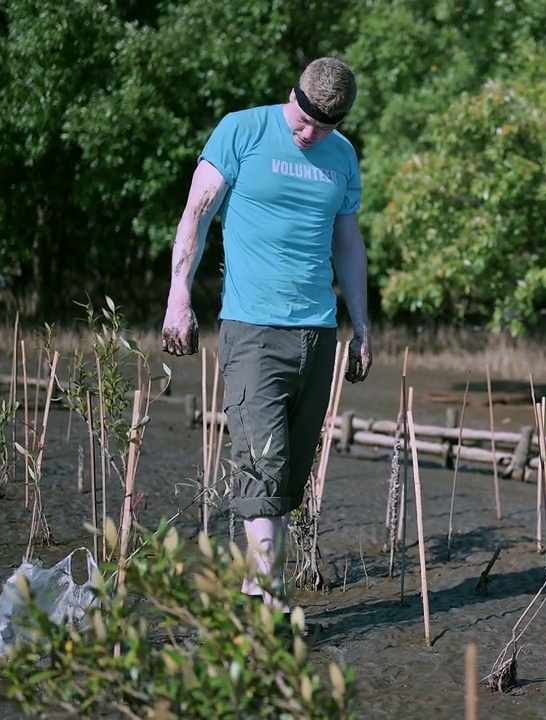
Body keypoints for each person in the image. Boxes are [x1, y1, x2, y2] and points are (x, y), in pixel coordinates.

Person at [160, 57, 373, 625]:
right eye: (303, 122)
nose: (309, 135)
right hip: (253, 328)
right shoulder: (242, 129)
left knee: (290, 474)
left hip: (318, 332)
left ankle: (258, 595)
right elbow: (196, 213)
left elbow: (348, 245)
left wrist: (362, 326)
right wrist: (179, 295)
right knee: (261, 463)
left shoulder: (343, 156)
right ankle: (270, 595)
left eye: (322, 128)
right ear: (292, 96)